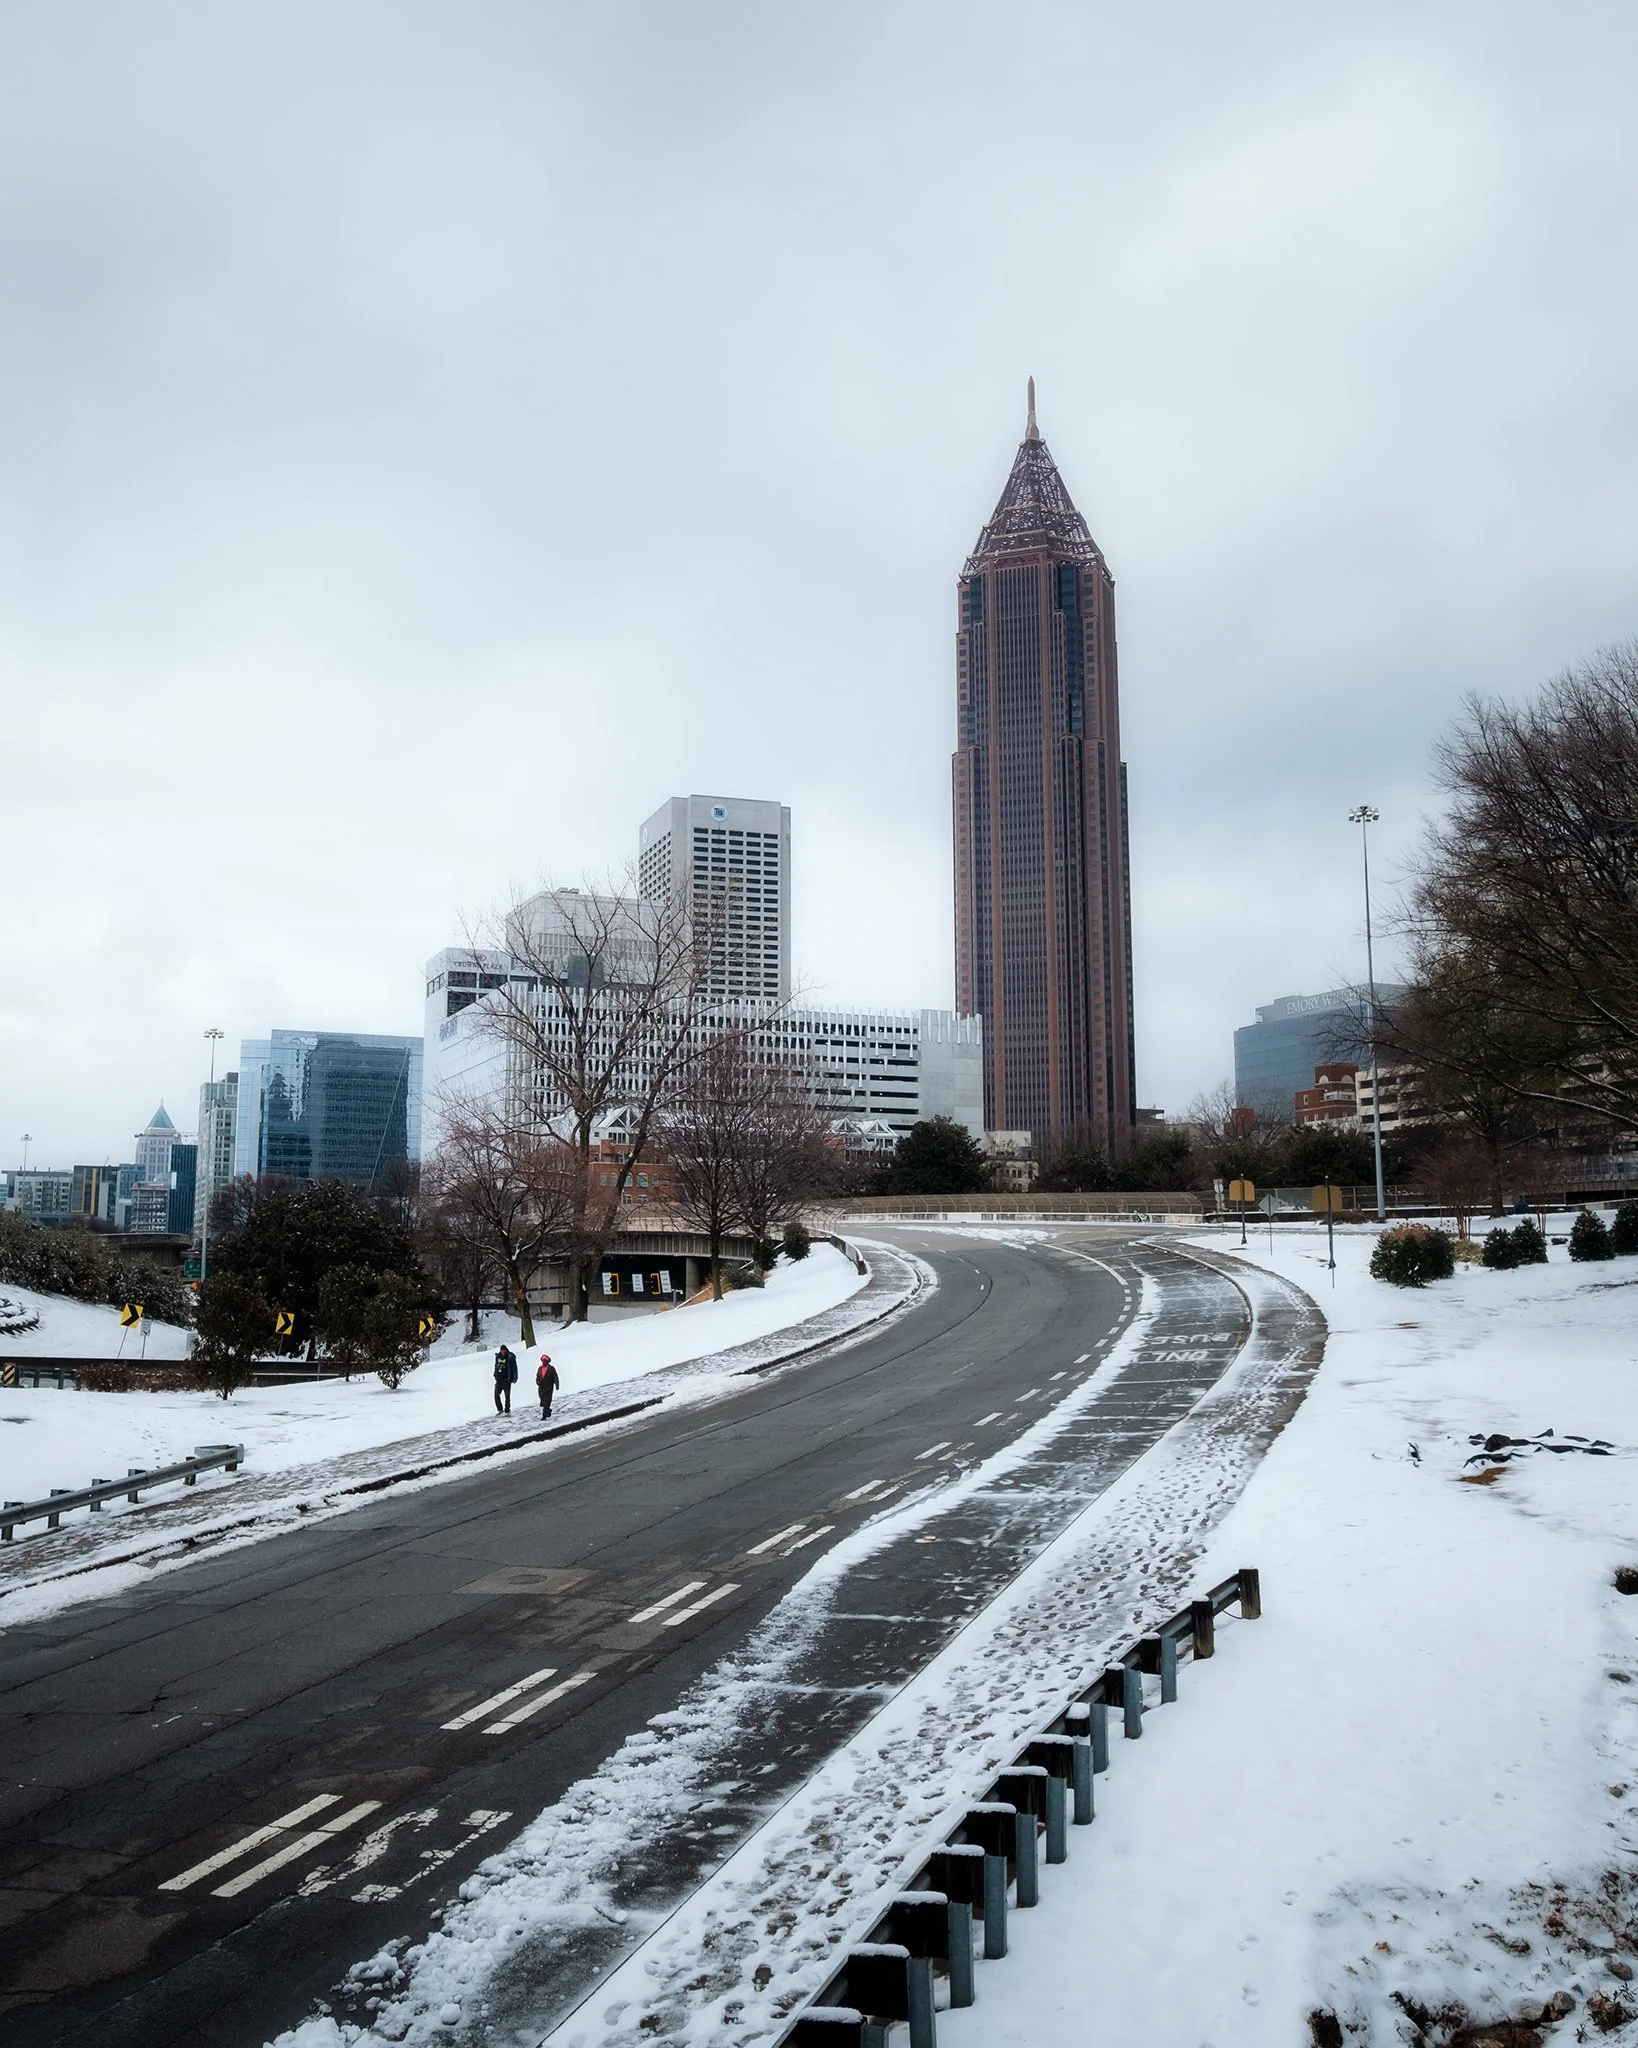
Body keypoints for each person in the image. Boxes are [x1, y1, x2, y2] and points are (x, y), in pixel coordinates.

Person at [493, 1343, 517, 1414]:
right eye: (501, 1351)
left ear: (506, 1350)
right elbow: (496, 1366)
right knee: (496, 1394)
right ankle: (500, 1409)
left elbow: (514, 1368)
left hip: (506, 1380)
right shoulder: (498, 1357)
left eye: (504, 1351)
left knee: (507, 1396)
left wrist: (514, 1377)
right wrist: (495, 1374)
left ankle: (507, 1409)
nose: (503, 1352)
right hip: (499, 1380)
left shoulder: (510, 1357)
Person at [536, 1352, 560, 1418]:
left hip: (549, 1387)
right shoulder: (540, 1368)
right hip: (541, 1387)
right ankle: (548, 1411)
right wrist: (537, 1381)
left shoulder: (551, 1368)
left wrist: (557, 1384)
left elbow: (555, 1377)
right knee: (543, 1400)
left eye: (545, 1361)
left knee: (547, 1401)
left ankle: (544, 1416)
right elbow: (537, 1376)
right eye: (543, 1361)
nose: (544, 1362)